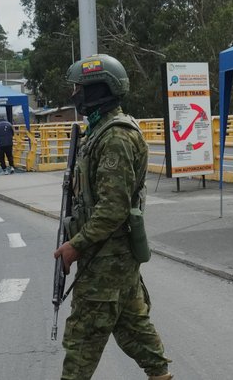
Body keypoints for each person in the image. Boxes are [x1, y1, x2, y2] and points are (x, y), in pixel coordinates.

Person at [53, 54, 171, 380]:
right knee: (132, 325)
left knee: (82, 340)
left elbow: (112, 208)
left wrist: (75, 245)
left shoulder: (115, 137)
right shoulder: (99, 133)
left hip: (107, 261)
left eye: (79, 88)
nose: (74, 94)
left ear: (97, 91)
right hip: (113, 258)